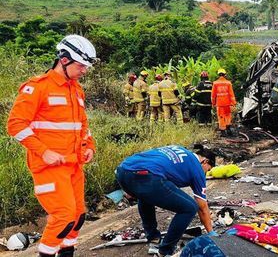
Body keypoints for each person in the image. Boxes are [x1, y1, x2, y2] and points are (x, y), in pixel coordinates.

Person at [7, 35, 98, 257]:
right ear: (64, 60)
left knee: (77, 216)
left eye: (86, 66)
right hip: (50, 167)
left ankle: (67, 253)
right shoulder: (37, 88)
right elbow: (15, 124)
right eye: (80, 65)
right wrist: (44, 152)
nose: (84, 71)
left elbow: (82, 125)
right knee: (63, 216)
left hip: (74, 165)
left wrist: (89, 147)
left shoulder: (76, 89)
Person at [116, 145, 215, 257]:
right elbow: (202, 207)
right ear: (205, 161)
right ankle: (165, 251)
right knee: (190, 208)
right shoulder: (197, 168)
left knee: (146, 195)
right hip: (146, 176)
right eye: (208, 169)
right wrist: (211, 233)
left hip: (123, 171)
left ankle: (153, 237)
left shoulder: (180, 149)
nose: (206, 173)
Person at [211, 68, 236, 135]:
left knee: (221, 116)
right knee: (227, 116)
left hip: (219, 104)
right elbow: (231, 94)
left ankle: (223, 131)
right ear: (225, 74)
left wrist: (213, 103)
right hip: (227, 103)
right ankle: (228, 129)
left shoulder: (215, 83)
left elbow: (213, 95)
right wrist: (233, 103)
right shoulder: (228, 83)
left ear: (218, 75)